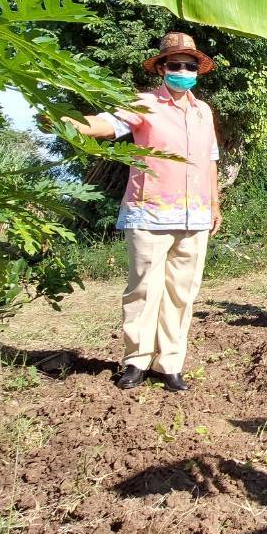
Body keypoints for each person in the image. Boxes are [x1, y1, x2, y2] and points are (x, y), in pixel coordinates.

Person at [62, 32, 221, 392]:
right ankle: (136, 361)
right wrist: (70, 122)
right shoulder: (144, 103)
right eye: (176, 65)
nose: (183, 71)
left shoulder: (203, 112)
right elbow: (109, 124)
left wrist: (214, 204)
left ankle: (170, 364)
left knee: (182, 293)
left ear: (197, 71)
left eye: (190, 66)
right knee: (143, 290)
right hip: (150, 213)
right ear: (162, 68)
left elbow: (211, 159)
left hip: (195, 216)